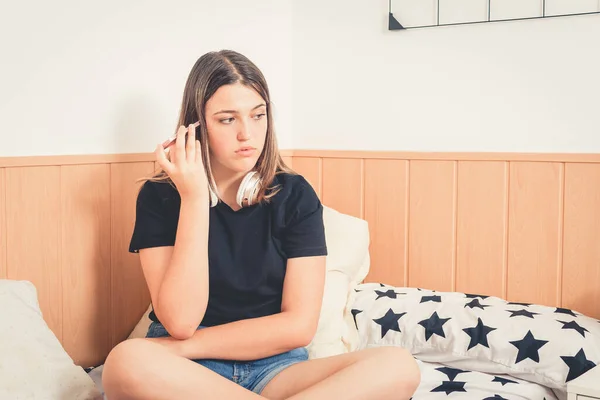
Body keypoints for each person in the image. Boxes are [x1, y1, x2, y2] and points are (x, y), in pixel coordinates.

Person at [102, 50, 420, 400]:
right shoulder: (160, 197)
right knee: (125, 362)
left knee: (398, 365)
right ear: (195, 127)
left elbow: (298, 327)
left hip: (276, 370)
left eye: (258, 116)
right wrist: (193, 199)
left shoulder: (295, 195)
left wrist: (182, 348)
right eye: (227, 120)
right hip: (188, 375)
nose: (247, 134)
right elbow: (180, 323)